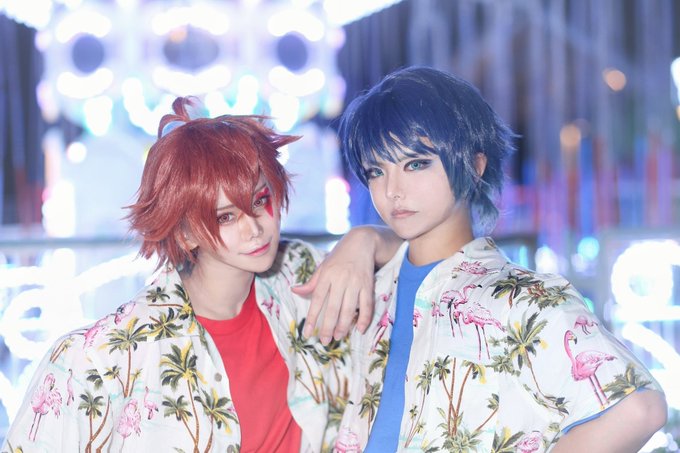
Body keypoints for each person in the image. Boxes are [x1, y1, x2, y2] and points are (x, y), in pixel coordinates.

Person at [1, 97, 401, 453]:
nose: (254, 228)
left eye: (260, 200)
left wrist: (364, 240)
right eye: (225, 217)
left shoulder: (299, 274)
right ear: (185, 232)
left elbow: (423, 262)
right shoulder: (104, 356)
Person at [334, 66, 667, 452]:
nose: (392, 190)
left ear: (474, 166)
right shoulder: (365, 287)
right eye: (376, 171)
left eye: (416, 164)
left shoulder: (521, 298)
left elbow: (639, 409)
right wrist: (364, 239)